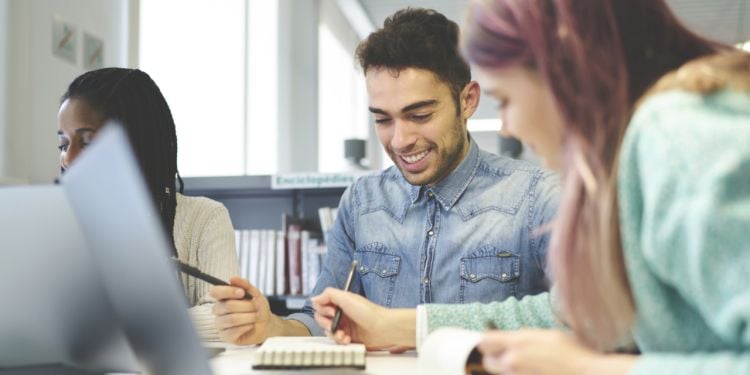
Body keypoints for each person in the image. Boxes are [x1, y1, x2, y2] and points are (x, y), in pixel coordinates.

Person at [313, 0, 750, 373]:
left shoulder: (674, 137)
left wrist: (591, 368)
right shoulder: (637, 152)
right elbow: (577, 312)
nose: (508, 125)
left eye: (507, 99)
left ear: (565, 70)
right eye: (383, 118)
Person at [210, 7, 559, 347]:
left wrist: (406, 328)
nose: (399, 140)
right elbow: (322, 323)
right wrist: (268, 325)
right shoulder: (362, 203)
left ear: (467, 100)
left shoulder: (537, 197)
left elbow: (581, 319)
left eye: (420, 114)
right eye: (382, 119)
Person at [57, 67, 240, 340]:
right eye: (63, 144)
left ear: (136, 142)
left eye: (86, 142)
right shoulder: (59, 225)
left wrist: (117, 330)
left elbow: (224, 316)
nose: (68, 159)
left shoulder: (205, 217)